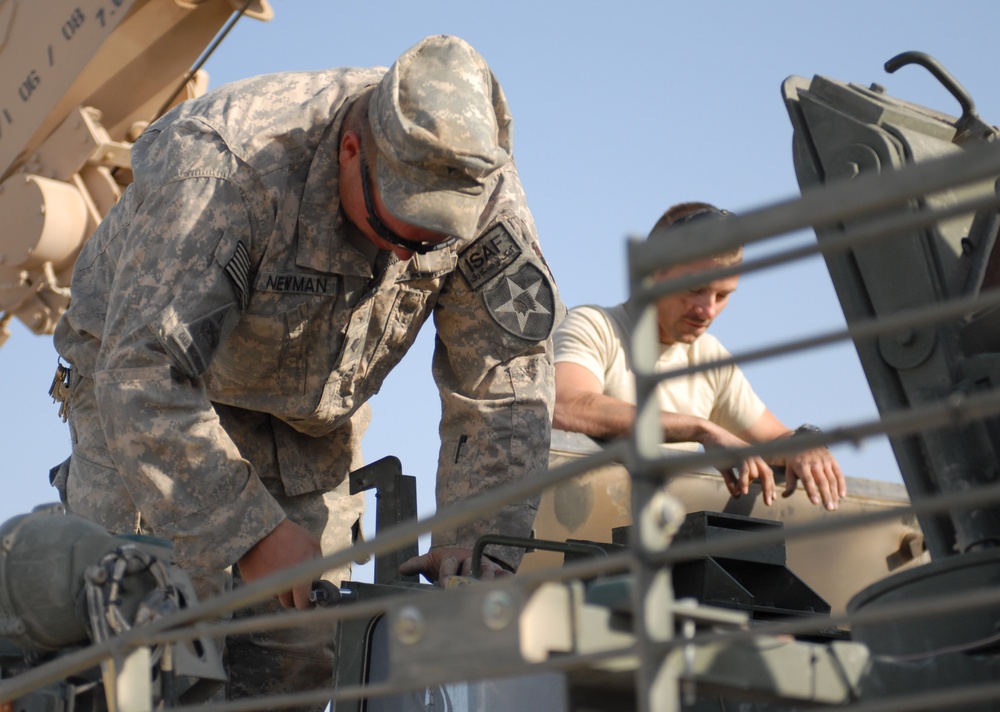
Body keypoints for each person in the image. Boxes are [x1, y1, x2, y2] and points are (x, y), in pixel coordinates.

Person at [51, 35, 560, 707]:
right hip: (151, 396)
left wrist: (479, 545)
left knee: (304, 651)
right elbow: (143, 371)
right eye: (399, 229)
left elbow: (506, 384)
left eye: (431, 244)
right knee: (150, 638)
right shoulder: (225, 165)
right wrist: (249, 531)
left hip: (307, 424)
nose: (410, 257)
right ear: (353, 150)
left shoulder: (477, 183)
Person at [552, 201, 845, 511]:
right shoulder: (596, 327)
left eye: (723, 295)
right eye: (694, 288)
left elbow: (774, 440)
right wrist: (701, 429)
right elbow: (567, 405)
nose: (708, 310)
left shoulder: (710, 358)